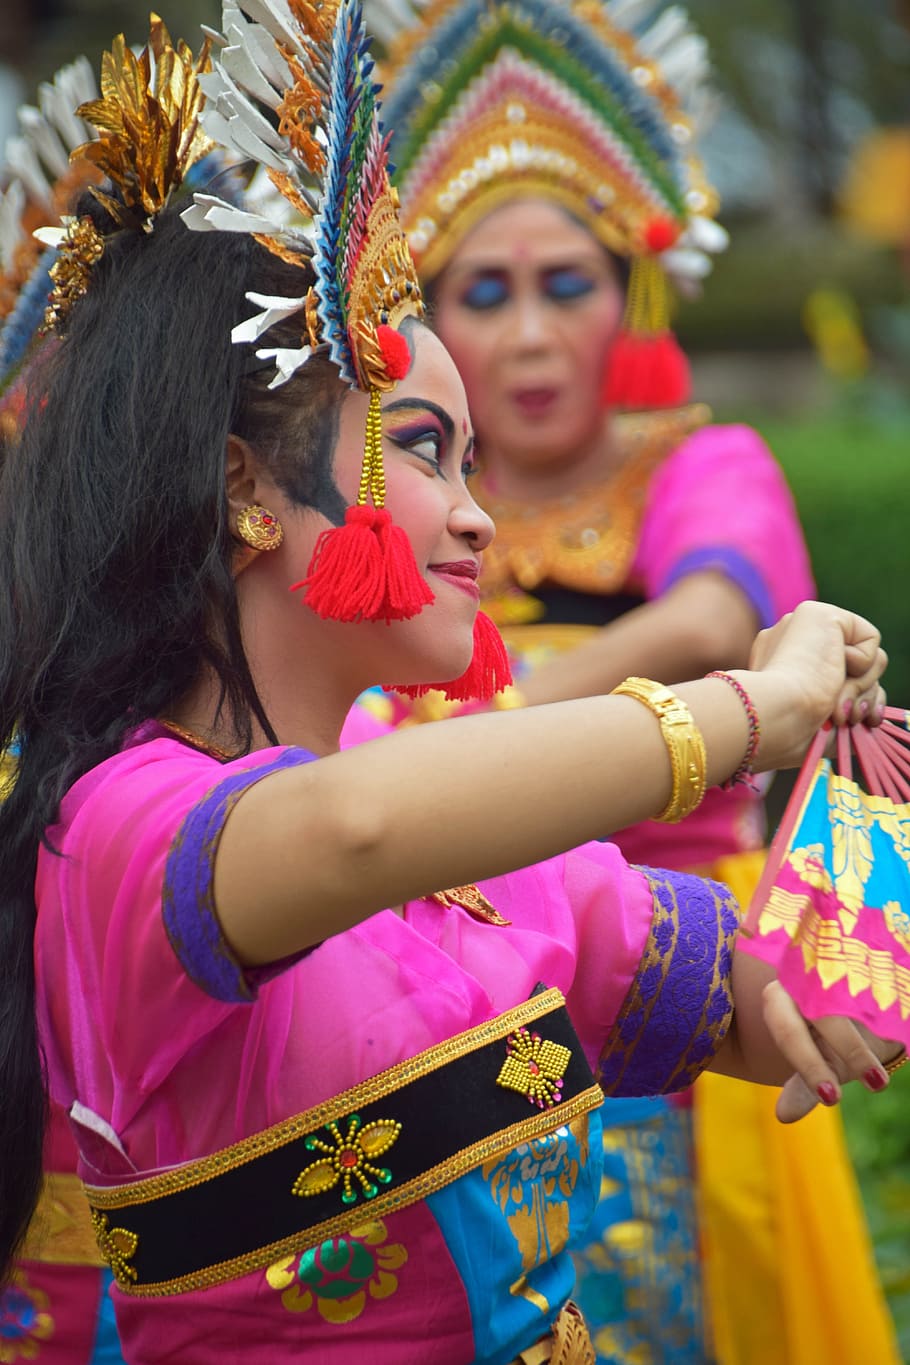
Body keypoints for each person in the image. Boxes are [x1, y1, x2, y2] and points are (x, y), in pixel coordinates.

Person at [0, 9, 900, 1365]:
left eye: (473, 462)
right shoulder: (122, 824)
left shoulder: (483, 851)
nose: (478, 518)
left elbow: (731, 990)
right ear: (245, 487)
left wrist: (842, 938)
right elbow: (346, 828)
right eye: (425, 450)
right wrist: (743, 713)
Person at [371, 1, 902, 1360]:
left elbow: (713, 612)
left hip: (680, 973)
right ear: (421, 318)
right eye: (483, 293)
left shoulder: (694, 463)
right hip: (459, 978)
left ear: (634, 293)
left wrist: (466, 744)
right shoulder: (404, 502)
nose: (535, 333)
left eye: (569, 282)